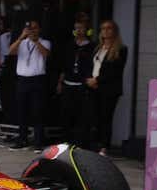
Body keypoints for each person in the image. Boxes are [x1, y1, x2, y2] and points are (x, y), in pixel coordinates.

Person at [7, 19, 51, 149]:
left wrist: (36, 41)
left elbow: (46, 54)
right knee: (22, 111)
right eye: (30, 28)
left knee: (37, 111)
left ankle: (38, 142)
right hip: (22, 80)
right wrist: (21, 37)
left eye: (35, 28)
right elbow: (10, 52)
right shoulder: (22, 42)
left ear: (39, 29)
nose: (32, 30)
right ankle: (22, 139)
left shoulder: (45, 42)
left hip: (37, 80)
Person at [88, 20, 127, 156]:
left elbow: (114, 71)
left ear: (114, 31)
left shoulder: (121, 49)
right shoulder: (98, 48)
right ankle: (95, 145)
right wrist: (90, 80)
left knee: (106, 117)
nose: (105, 31)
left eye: (109, 28)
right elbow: (92, 66)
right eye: (103, 28)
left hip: (108, 89)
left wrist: (97, 80)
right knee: (95, 117)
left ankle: (104, 147)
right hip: (94, 87)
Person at [58, 19, 95, 148]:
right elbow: (63, 65)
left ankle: (80, 144)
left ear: (87, 30)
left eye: (81, 28)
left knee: (81, 116)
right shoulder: (69, 45)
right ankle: (66, 142)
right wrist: (60, 83)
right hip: (68, 83)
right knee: (66, 114)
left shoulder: (92, 46)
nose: (78, 31)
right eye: (76, 28)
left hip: (82, 85)